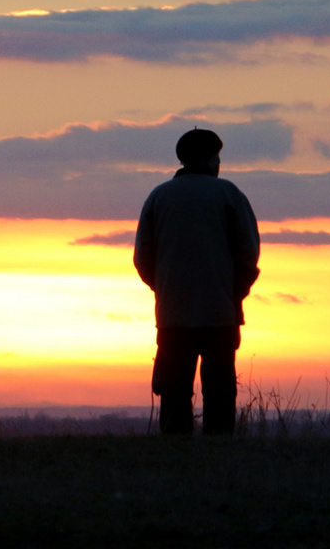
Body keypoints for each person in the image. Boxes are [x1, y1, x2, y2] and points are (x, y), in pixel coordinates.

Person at [134, 129, 261, 436]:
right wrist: (234, 292)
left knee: (174, 390)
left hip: (172, 314)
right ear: (212, 158)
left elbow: (142, 258)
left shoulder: (158, 197)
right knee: (219, 389)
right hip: (220, 312)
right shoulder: (229, 194)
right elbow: (248, 252)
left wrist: (164, 287)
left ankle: (175, 455)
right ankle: (218, 454)